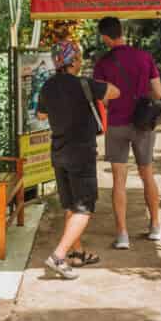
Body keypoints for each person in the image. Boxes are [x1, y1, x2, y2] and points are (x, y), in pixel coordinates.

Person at [37, 41, 119, 279]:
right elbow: (115, 92)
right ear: (73, 61)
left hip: (59, 152)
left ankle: (77, 253)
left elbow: (41, 114)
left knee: (72, 205)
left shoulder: (47, 86)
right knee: (84, 208)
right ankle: (59, 256)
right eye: (79, 57)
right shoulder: (84, 84)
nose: (81, 60)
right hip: (81, 152)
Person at [91, 17, 161, 249]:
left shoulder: (102, 63)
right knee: (147, 175)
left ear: (105, 37)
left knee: (119, 181)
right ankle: (155, 227)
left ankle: (122, 235)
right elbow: (159, 92)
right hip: (143, 124)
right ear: (121, 32)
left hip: (117, 124)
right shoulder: (144, 57)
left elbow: (101, 97)